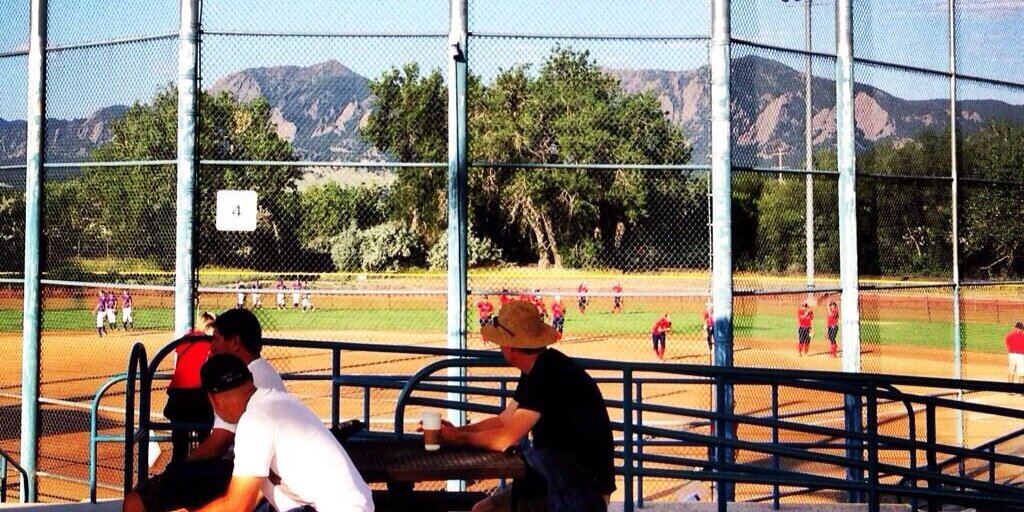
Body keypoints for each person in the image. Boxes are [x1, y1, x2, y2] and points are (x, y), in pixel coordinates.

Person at [436, 300, 615, 512]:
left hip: (579, 488)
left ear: (511, 347)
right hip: (557, 475)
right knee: (482, 509)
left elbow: (505, 439)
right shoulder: (539, 366)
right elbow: (504, 420)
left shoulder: (547, 373)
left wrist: (460, 438)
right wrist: (459, 431)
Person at [124, 308, 290, 512]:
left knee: (137, 501)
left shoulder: (240, 380)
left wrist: (175, 470)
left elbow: (217, 445)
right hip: (250, 472)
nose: (211, 346)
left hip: (247, 475)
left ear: (235, 342)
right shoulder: (260, 372)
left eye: (216, 339)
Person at [190, 353, 374, 512]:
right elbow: (253, 492)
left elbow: (238, 505)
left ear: (213, 399)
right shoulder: (276, 402)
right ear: (250, 379)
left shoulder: (255, 419)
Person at [164, 312, 216, 464]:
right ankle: (201, 473)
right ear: (209, 327)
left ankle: (178, 473)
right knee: (204, 442)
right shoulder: (209, 343)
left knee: (179, 447)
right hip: (196, 396)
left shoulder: (186, 339)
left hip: (177, 396)